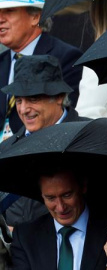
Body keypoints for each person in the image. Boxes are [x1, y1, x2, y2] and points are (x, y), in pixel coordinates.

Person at [0, 55, 90, 229]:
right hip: (18, 251)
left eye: (33, 99)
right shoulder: (6, 150)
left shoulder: (88, 137)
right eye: (19, 100)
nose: (24, 109)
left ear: (59, 97)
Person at [9, 166, 107, 270]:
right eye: (51, 198)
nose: (60, 208)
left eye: (67, 195)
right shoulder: (25, 236)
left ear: (83, 186)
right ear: (41, 196)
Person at [0, 0, 83, 137]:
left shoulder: (65, 57)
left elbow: (67, 116)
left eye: (9, 11)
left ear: (35, 17)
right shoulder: (1, 62)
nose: (0, 19)